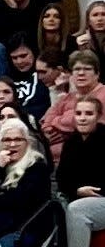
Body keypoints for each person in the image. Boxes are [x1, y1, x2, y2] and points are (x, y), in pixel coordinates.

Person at [0, 119, 51, 247]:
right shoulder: (0, 166)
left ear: (27, 143)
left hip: (24, 229)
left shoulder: (37, 168)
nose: (12, 144)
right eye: (7, 140)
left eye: (18, 139)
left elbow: (19, 201)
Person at [56, 96, 105, 247]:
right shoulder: (71, 142)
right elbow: (61, 178)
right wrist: (77, 190)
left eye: (88, 114)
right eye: (78, 114)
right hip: (76, 196)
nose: (82, 119)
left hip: (102, 197)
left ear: (98, 116)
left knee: (77, 209)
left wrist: (95, 191)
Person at [40, 49, 105, 158]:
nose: (81, 73)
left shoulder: (103, 94)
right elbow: (46, 123)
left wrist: (58, 121)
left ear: (97, 74)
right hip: (53, 159)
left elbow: (89, 124)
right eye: (77, 69)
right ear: (70, 74)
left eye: (87, 69)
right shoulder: (67, 97)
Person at [5, 37, 50, 121]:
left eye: (23, 56)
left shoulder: (44, 74)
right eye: (14, 58)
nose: (19, 61)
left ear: (34, 52)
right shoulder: (7, 79)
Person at [69, 1, 105, 75]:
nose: (100, 19)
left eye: (104, 14)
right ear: (88, 20)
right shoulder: (78, 41)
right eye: (95, 15)